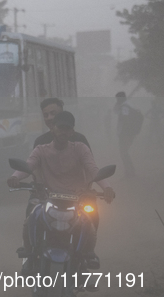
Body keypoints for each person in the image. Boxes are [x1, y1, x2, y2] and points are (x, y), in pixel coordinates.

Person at [7, 111, 115, 274]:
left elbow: (93, 169)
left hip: (77, 199)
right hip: (47, 198)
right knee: (31, 217)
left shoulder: (80, 149)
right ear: (53, 129)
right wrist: (14, 177)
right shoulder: (41, 150)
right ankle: (29, 255)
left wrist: (106, 187)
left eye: (67, 129)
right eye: (60, 128)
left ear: (72, 132)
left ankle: (87, 254)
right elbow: (29, 166)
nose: (63, 132)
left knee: (90, 218)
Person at [23, 98, 92, 219]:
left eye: (53, 114)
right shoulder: (40, 142)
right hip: (47, 195)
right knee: (31, 214)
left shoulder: (80, 140)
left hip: (76, 194)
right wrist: (39, 188)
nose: (49, 118)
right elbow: (35, 168)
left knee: (92, 216)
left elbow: (89, 168)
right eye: (46, 115)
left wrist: (88, 190)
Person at [114, 91, 141, 177]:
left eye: (117, 99)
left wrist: (124, 134)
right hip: (128, 133)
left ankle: (130, 172)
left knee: (123, 152)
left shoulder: (124, 106)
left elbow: (125, 118)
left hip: (125, 134)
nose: (117, 100)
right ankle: (129, 171)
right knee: (124, 152)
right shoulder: (128, 104)